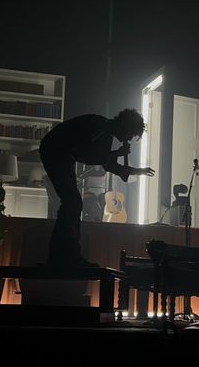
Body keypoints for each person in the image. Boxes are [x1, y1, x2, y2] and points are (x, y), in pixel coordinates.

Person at [39, 108, 155, 268]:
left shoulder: (104, 130)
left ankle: (64, 255)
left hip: (59, 152)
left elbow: (106, 163)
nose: (128, 139)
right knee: (72, 203)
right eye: (131, 134)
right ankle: (65, 257)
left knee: (72, 203)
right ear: (126, 127)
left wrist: (135, 170)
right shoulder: (100, 128)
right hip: (56, 152)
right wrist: (118, 154)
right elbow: (91, 157)